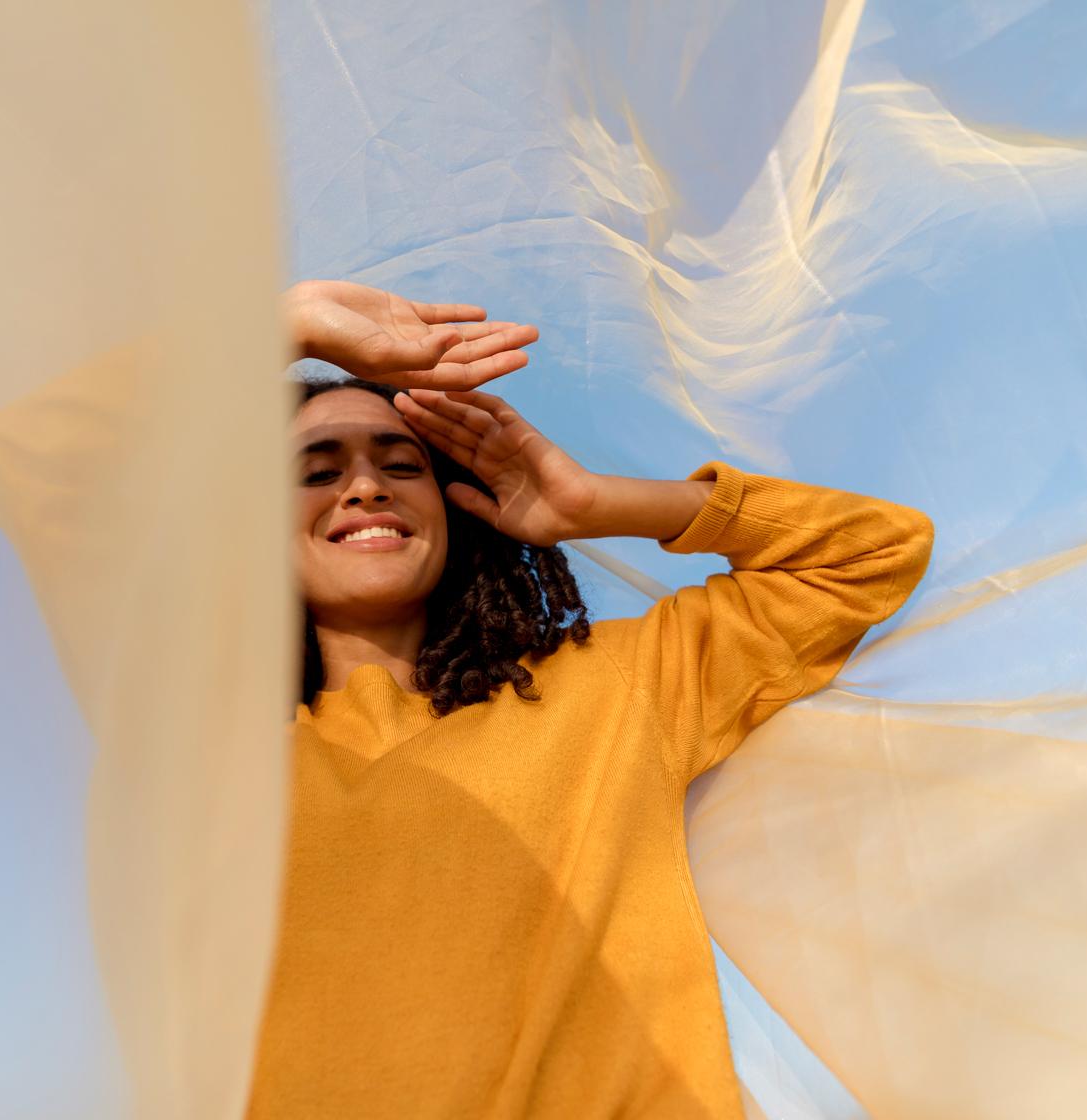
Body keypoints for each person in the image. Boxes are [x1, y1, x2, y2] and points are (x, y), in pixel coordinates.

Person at [249, 280, 936, 1118]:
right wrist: (284, 327)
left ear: (456, 512)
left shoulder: (613, 687)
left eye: (402, 466)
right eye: (316, 472)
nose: (365, 488)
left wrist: (595, 504)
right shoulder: (213, 775)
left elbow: (873, 553)